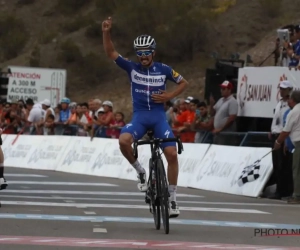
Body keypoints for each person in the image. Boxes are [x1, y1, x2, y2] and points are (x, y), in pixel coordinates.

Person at [102, 17, 188, 217]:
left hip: (158, 118)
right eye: (139, 53)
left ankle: (173, 199)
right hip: (140, 117)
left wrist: (169, 96)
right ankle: (140, 171)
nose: (143, 56)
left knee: (172, 155)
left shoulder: (164, 69)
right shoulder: (132, 68)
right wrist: (106, 32)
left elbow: (184, 82)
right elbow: (110, 52)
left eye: (146, 53)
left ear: (153, 53)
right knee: (123, 141)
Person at [273, 90, 300, 204]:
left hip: (299, 143)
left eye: (289, 99)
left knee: (297, 170)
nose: (288, 101)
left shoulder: (293, 112)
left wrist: (278, 142)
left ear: (293, 100)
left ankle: (297, 195)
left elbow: (285, 131)